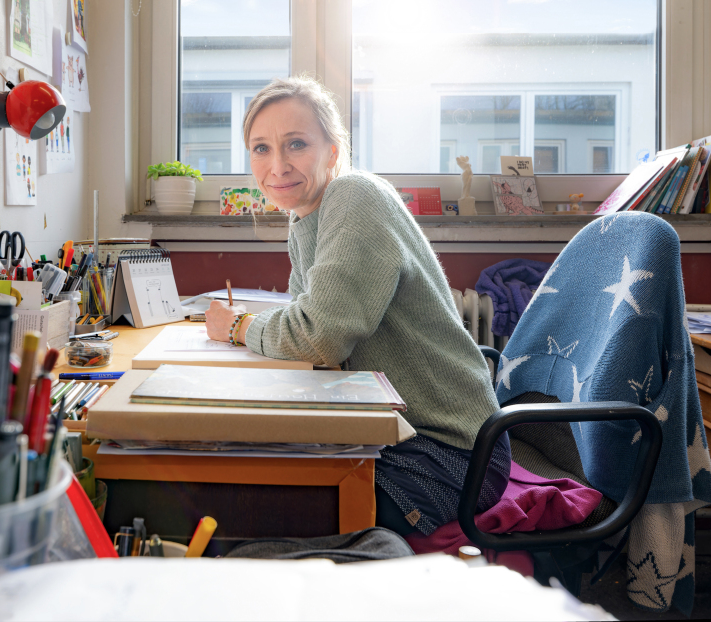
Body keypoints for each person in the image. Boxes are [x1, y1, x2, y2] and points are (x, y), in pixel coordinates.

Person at [204, 76, 510, 539]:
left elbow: (317, 336)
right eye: (261, 148)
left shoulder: (354, 195)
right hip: (395, 431)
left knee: (259, 501)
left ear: (332, 150)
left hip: (450, 455)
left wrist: (238, 326)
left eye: (297, 144)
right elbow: (309, 338)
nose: (277, 165)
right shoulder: (306, 217)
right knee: (245, 464)